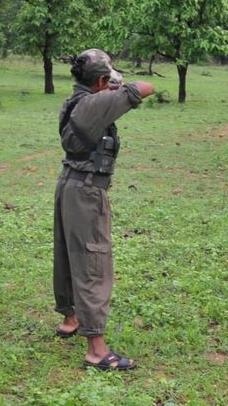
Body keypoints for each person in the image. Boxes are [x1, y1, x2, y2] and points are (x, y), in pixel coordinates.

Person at [53, 49, 154, 371]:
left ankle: (70, 319)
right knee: (94, 261)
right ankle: (96, 350)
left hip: (68, 185)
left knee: (69, 256)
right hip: (87, 192)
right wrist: (117, 85)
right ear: (100, 80)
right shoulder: (98, 102)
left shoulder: (75, 101)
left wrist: (108, 87)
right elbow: (145, 88)